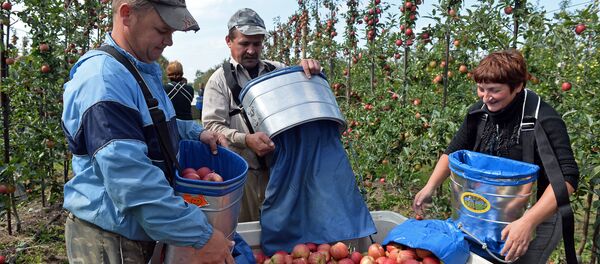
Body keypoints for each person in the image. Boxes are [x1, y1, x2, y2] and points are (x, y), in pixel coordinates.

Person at [61, 1, 233, 263]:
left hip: (139, 231)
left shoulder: (139, 70)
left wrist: (196, 132)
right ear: (127, 14)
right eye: (163, 30)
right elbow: (132, 181)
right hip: (110, 240)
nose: (170, 42)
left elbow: (153, 124)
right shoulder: (105, 80)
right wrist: (202, 236)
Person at [412, 50, 579, 263]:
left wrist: (527, 222)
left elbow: (568, 178)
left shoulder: (543, 120)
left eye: (494, 90)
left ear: (518, 86)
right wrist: (430, 186)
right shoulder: (479, 113)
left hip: (535, 216)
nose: (486, 96)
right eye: (481, 89)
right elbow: (454, 150)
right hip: (487, 212)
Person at [201, 8, 321, 222]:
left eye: (256, 44)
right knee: (247, 230)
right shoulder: (219, 81)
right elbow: (212, 127)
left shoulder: (278, 71)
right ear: (229, 41)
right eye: (244, 43)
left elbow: (304, 94)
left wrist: (308, 69)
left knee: (284, 231)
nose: (251, 50)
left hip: (280, 171)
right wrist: (246, 140)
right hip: (243, 174)